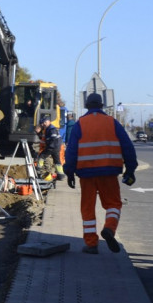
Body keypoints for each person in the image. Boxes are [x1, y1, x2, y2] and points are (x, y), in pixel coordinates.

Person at [63, 92, 138, 254]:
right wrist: (131, 169)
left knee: (88, 207)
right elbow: (127, 147)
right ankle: (109, 229)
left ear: (87, 106)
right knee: (113, 204)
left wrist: (69, 172)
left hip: (86, 174)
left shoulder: (80, 124)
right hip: (109, 172)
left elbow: (71, 151)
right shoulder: (112, 123)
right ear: (102, 106)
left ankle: (91, 244)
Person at [36, 116, 64, 181]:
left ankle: (38, 169)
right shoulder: (49, 129)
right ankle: (61, 175)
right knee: (57, 161)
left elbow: (53, 138)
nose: (43, 124)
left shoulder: (51, 129)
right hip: (56, 147)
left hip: (52, 147)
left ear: (48, 122)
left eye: (44, 123)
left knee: (42, 156)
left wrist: (49, 145)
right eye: (43, 123)